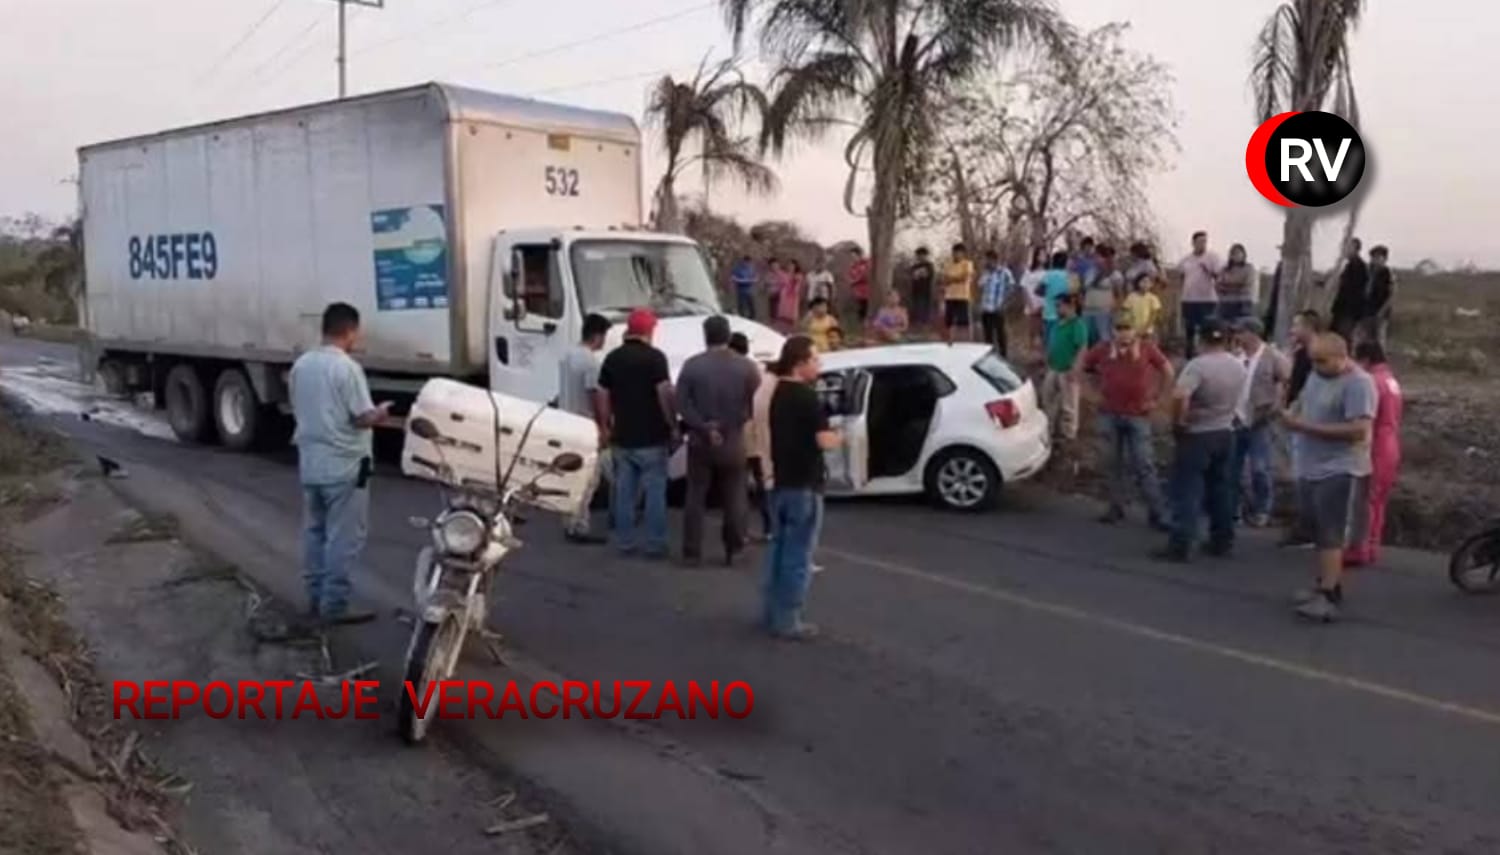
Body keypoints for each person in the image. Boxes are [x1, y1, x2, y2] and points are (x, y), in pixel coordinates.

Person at [289, 302, 392, 624]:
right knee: (344, 537)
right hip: (347, 466)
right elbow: (362, 418)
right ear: (350, 331)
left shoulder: (301, 365)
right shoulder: (346, 369)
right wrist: (381, 412)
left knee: (315, 532)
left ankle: (314, 597)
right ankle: (335, 604)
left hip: (311, 463)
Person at [1282, 333, 1377, 622]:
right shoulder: (1317, 375)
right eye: (1313, 360)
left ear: (1341, 356)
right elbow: (1303, 402)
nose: (1316, 366)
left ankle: (1329, 593)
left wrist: (1304, 427)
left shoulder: (1358, 384)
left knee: (1330, 533)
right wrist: (1291, 413)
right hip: (1311, 464)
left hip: (1340, 467)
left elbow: (1359, 430)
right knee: (1315, 528)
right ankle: (1322, 583)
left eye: (1322, 361)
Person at [762, 336, 840, 640]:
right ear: (800, 364)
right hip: (805, 486)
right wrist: (839, 438)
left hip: (781, 482)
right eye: (815, 360)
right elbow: (823, 441)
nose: (818, 366)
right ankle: (789, 620)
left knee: (778, 550)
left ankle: (771, 612)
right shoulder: (807, 398)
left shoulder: (776, 393)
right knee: (798, 555)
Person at [1153, 319, 1246, 563]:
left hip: (1198, 433)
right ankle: (1222, 539)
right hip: (1225, 430)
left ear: (1200, 338)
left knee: (1187, 489)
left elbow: (1181, 396)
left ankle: (1182, 542)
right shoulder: (1237, 366)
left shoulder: (1198, 366)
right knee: (1220, 488)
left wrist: (1179, 422)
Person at [677, 315, 760, 566]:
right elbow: (754, 403)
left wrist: (704, 426)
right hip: (733, 439)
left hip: (700, 441)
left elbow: (682, 403)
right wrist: (730, 423)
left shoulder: (692, 366)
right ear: (727, 335)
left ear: (706, 335)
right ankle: (734, 547)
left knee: (695, 495)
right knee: (735, 494)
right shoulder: (746, 367)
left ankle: (692, 550)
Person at [1077, 312, 1173, 530]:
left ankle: (1157, 512)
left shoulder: (1147, 348)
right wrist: (1090, 395)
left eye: (1127, 328)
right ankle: (1115, 507)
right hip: (1109, 414)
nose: (1123, 333)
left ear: (1134, 330)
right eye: (1120, 328)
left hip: (1138, 415)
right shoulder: (1102, 349)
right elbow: (1080, 368)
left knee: (1144, 464)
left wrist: (1159, 400)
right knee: (1111, 462)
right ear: (1114, 330)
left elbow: (1168, 371)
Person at [597, 308, 677, 559]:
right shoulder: (656, 359)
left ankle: (625, 541)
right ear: (648, 330)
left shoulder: (612, 358)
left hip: (622, 435)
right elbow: (664, 393)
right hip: (652, 436)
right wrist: (672, 423)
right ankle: (654, 543)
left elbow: (602, 394)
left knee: (624, 492)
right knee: (654, 492)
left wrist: (606, 424)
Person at [1344, 340, 1402, 568]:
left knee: (1365, 500)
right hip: (1391, 443)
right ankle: (1372, 545)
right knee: (1379, 501)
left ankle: (1360, 548)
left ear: (1365, 359)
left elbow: (1366, 418)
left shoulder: (1371, 382)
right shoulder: (1390, 379)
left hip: (1376, 445)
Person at [558, 312, 612, 544]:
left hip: (566, 420)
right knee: (590, 477)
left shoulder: (568, 355)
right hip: (585, 423)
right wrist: (603, 425)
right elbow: (594, 395)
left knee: (571, 473)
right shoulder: (591, 362)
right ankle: (580, 524)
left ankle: (569, 520)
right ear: (597, 335)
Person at [1230, 318, 1290, 528]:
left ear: (1252, 334)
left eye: (1240, 332)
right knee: (1233, 468)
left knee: (1260, 468)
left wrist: (1276, 405)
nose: (1237, 336)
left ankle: (1263, 509)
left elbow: (1284, 381)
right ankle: (1234, 508)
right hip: (1236, 419)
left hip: (1260, 420)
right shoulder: (1236, 356)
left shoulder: (1272, 356)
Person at [742, 333, 776, 543]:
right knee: (764, 484)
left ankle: (741, 530)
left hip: (741, 437)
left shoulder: (737, 371)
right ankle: (770, 528)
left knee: (739, 487)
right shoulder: (762, 376)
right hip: (759, 439)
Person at [1041, 294, 1088, 442]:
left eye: (1059, 306)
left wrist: (1075, 368)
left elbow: (1082, 348)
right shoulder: (1057, 323)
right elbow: (1052, 342)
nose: (1056, 309)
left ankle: (1069, 434)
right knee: (1048, 398)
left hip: (1068, 369)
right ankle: (1050, 428)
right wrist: (1047, 359)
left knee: (1069, 404)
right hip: (1054, 367)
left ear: (1071, 306)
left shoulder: (1077, 325)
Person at [1177, 231, 1223, 360]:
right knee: (1189, 329)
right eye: (1200, 241)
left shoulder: (1212, 257)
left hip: (1207, 300)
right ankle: (1189, 357)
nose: (1203, 244)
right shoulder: (1186, 260)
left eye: (1205, 241)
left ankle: (1208, 355)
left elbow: (1219, 276)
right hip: (1189, 300)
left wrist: (1207, 270)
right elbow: (1181, 276)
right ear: (1193, 243)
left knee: (1207, 328)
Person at [1329, 237, 1370, 344]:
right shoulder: (1349, 265)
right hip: (1343, 309)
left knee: (1343, 338)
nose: (1345, 250)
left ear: (1356, 249)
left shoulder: (1359, 266)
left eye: (1348, 247)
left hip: (1349, 311)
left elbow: (1356, 290)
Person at [1081, 244, 1122, 345]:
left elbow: (1118, 293)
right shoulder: (1090, 272)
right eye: (1095, 256)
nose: (1096, 259)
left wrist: (1116, 308)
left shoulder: (1115, 274)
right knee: (1086, 338)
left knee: (1104, 338)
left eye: (1099, 257)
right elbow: (1084, 288)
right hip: (1088, 310)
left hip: (1104, 311)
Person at [978, 249, 1015, 356]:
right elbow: (980, 286)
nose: (986, 262)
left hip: (998, 308)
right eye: (985, 260)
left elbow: (1011, 288)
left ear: (994, 260)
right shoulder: (985, 273)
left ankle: (1004, 356)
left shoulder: (1004, 272)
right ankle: (990, 357)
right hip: (986, 308)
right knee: (988, 336)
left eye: (988, 260)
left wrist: (1005, 304)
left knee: (1000, 334)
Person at [942, 243, 975, 345]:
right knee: (949, 321)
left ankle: (967, 342)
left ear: (963, 253)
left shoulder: (967, 264)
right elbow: (945, 279)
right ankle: (950, 342)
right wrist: (955, 279)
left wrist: (952, 279)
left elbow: (964, 278)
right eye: (955, 252)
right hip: (949, 296)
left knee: (964, 322)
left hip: (962, 296)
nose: (956, 254)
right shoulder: (948, 265)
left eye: (959, 252)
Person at [1038, 250, 1074, 346]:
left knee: (1048, 342)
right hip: (1065, 314)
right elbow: (1074, 293)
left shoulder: (1049, 275)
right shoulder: (1069, 276)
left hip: (1049, 313)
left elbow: (1038, 290)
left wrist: (1049, 293)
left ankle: (1048, 359)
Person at [1363, 245, 1395, 346]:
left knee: (1379, 340)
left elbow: (1391, 295)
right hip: (1367, 311)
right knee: (1366, 339)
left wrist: (1382, 311)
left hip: (1381, 312)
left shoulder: (1388, 274)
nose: (1375, 260)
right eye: (1373, 257)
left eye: (1378, 257)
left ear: (1385, 259)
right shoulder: (1368, 272)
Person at [1216, 243, 1256, 323]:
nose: (1236, 256)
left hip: (1243, 303)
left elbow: (1246, 286)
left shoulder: (1249, 268)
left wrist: (1229, 287)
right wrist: (1235, 286)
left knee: (1241, 326)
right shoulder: (1225, 270)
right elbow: (1218, 285)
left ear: (1243, 255)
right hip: (1226, 303)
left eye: (1239, 253)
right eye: (1234, 253)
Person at [1020, 247, 1048, 354]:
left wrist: (1043, 306)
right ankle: (1032, 355)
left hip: (1044, 307)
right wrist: (1030, 305)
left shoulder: (1048, 272)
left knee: (1043, 334)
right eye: (1041, 254)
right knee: (1032, 333)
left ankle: (1043, 356)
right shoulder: (1029, 272)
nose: (1043, 257)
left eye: (1045, 255)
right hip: (1032, 306)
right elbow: (1024, 288)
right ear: (1036, 256)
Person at [1122, 272, 1164, 342]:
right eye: (1143, 281)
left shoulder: (1153, 298)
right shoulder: (1131, 296)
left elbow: (1154, 315)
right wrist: (1130, 326)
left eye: (1148, 282)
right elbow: (1125, 312)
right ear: (1138, 283)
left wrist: (1145, 328)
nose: (1145, 284)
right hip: (1133, 330)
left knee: (1146, 347)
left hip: (1148, 331)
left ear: (1151, 284)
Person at [908, 247, 936, 328]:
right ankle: (917, 323)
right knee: (917, 307)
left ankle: (925, 324)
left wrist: (919, 274)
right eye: (918, 255)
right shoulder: (914, 266)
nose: (920, 257)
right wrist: (918, 274)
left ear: (926, 255)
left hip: (926, 290)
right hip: (916, 290)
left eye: (922, 255)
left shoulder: (929, 265)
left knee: (925, 307)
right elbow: (912, 276)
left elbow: (929, 275)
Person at [776, 260, 805, 331]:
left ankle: (792, 330)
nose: (790, 267)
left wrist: (795, 279)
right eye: (789, 265)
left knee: (793, 314)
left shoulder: (798, 275)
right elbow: (781, 283)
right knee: (783, 313)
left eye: (792, 265)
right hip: (785, 295)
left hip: (793, 296)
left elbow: (799, 285)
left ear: (795, 266)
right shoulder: (784, 274)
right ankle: (783, 329)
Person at [848, 247, 872, 322]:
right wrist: (854, 281)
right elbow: (850, 278)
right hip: (858, 293)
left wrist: (856, 280)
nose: (853, 258)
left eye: (854, 256)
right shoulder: (853, 266)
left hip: (868, 292)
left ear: (859, 255)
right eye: (852, 257)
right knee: (860, 312)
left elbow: (866, 276)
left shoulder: (867, 263)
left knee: (867, 310)